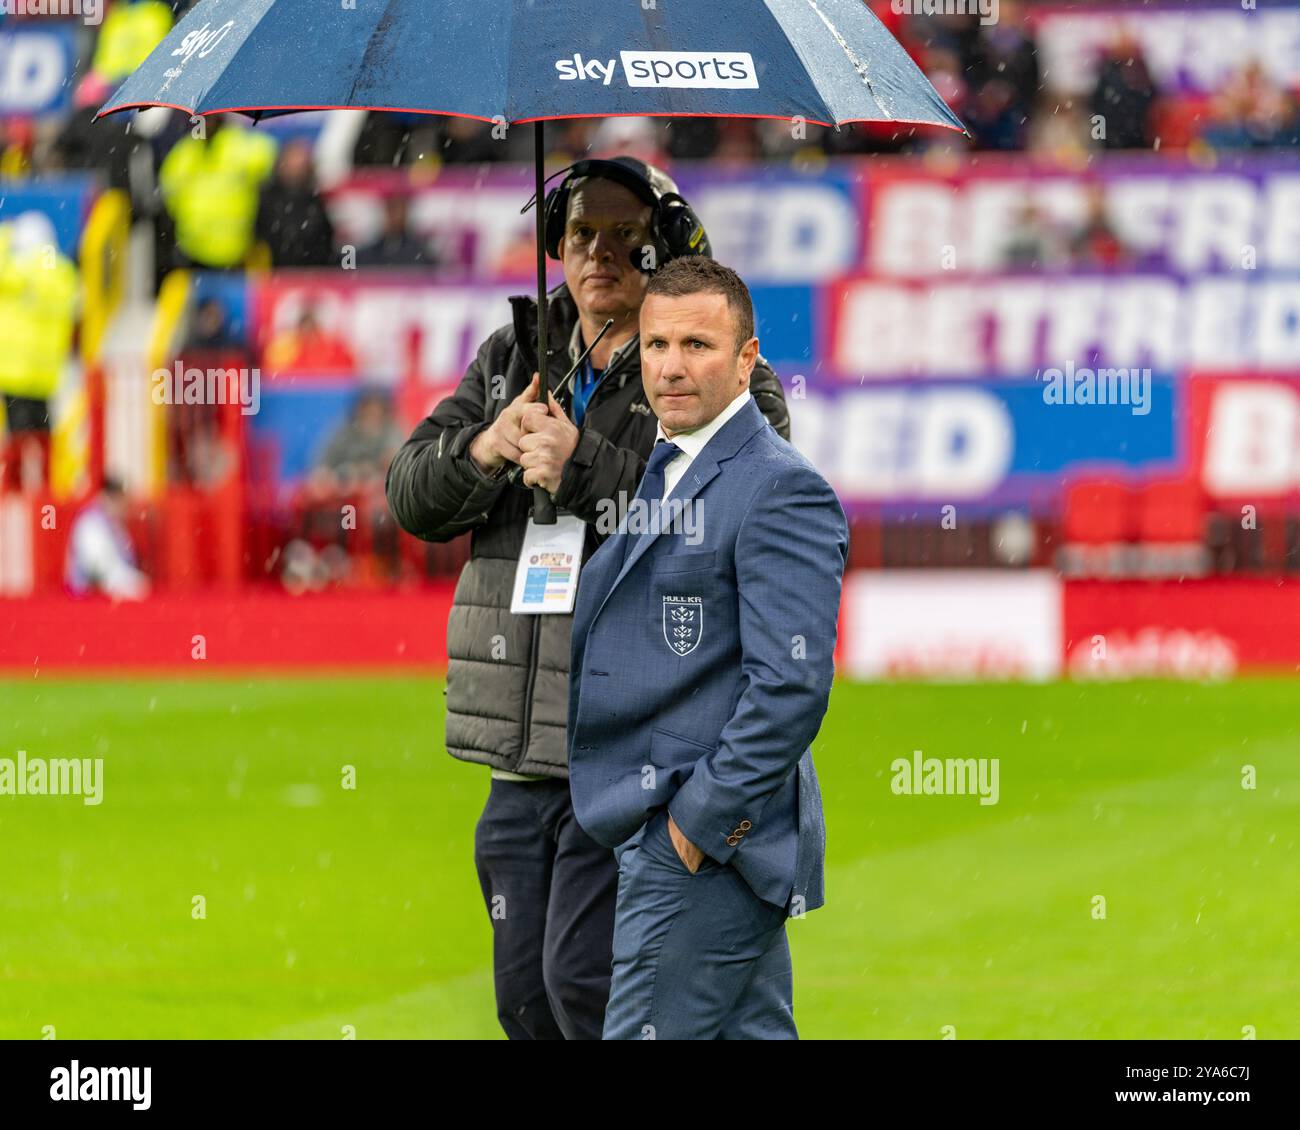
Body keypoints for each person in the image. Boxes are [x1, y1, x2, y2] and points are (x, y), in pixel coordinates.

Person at [385, 156, 789, 1040]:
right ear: (552, 246)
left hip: (628, 746)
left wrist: (581, 472)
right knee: (525, 1005)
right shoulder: (513, 357)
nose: (598, 252)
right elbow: (409, 495)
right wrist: (487, 448)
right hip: (516, 752)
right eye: (579, 234)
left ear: (669, 246)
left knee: (586, 990)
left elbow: (716, 518)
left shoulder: (702, 366)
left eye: (624, 236)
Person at [567, 256, 848, 1040]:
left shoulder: (776, 485)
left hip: (704, 843)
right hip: (685, 836)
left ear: (748, 359)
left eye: (698, 345)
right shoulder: (673, 465)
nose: (671, 367)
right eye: (656, 345)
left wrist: (698, 827)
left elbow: (790, 688)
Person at [66, 478, 149, 601]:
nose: (125, 507)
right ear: (110, 498)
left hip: (108, 590)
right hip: (88, 598)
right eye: (122, 501)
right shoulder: (91, 521)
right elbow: (99, 570)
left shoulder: (114, 523)